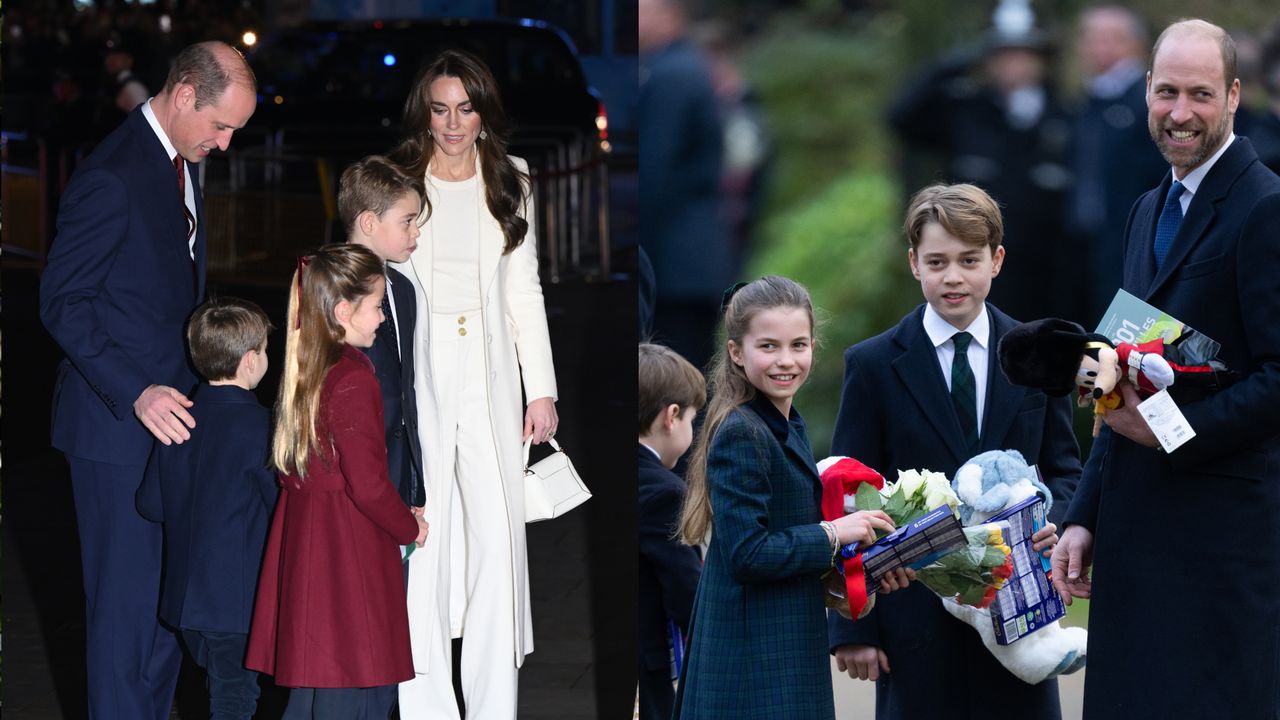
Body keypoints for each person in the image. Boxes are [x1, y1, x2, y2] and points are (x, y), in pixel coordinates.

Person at [1051, 19, 1280, 719]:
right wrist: (1084, 514)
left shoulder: (1266, 207)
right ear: (1146, 90)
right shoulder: (1147, 209)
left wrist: (1174, 432)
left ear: (1234, 96)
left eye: (1201, 95)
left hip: (1222, 545)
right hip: (1135, 534)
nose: (1181, 113)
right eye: (1169, 92)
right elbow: (1115, 374)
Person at [38, 40, 256, 720]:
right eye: (220, 126)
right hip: (115, 432)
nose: (223, 143)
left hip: (174, 428)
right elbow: (62, 302)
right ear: (185, 94)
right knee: (125, 622)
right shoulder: (115, 173)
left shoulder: (179, 160)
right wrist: (135, 389)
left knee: (169, 616)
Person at [826, 183, 1081, 719]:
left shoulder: (1039, 355)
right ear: (914, 263)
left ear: (997, 260)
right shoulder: (873, 365)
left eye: (970, 260)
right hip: (913, 616)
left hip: (1019, 607)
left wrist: (1053, 521)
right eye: (937, 261)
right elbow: (847, 498)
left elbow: (1063, 469)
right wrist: (854, 625)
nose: (954, 277)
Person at [388, 49, 558, 719]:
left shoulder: (512, 178)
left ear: (483, 111)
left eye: (465, 108)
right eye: (440, 109)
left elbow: (525, 286)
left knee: (497, 540)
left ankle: (493, 708)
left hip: (490, 377)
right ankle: (424, 705)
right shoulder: (398, 177)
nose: (453, 124)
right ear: (424, 113)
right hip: (420, 374)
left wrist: (539, 387)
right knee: (422, 535)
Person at [670, 275, 911, 719]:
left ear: (814, 347)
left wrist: (861, 570)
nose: (786, 361)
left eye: (798, 345)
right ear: (737, 353)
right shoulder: (741, 432)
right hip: (751, 661)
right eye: (769, 347)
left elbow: (788, 540)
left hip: (782, 646)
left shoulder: (785, 422)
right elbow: (748, 553)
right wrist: (833, 533)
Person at [245, 243, 430, 716]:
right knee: (351, 685)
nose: (383, 319)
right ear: (344, 310)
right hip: (347, 547)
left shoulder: (309, 362)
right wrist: (408, 528)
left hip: (310, 536)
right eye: (375, 307)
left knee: (314, 685)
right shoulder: (352, 377)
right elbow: (367, 484)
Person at [135, 297, 278, 720]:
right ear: (251, 360)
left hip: (185, 602)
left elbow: (150, 504)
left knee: (220, 690)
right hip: (237, 600)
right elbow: (278, 508)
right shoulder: (263, 427)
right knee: (234, 699)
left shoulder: (179, 421)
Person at [888, 17, 1075, 325]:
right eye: (1002, 54)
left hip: (1046, 273)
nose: (1012, 64)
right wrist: (951, 64)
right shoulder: (967, 110)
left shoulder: (1066, 116)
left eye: (1022, 54)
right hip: (973, 267)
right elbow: (902, 119)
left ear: (1041, 60)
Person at [639, 0, 732, 370]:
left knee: (674, 386)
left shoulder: (672, 74)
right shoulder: (686, 67)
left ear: (669, 14)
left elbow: (654, 170)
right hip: (691, 262)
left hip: (673, 265)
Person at [1066, 5, 1168, 323]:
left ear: (1136, 44)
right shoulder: (1083, 101)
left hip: (1134, 245)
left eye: (1111, 38)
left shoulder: (1150, 100)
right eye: (1092, 39)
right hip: (1082, 243)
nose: (1100, 48)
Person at [340, 155, 427, 511]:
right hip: (350, 475)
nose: (416, 231)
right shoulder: (327, 287)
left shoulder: (403, 289)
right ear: (369, 222)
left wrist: (413, 480)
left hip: (398, 472)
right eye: (407, 221)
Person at [637, 343, 705, 720]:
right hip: (646, 667)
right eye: (693, 419)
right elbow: (687, 594)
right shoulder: (665, 492)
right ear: (671, 416)